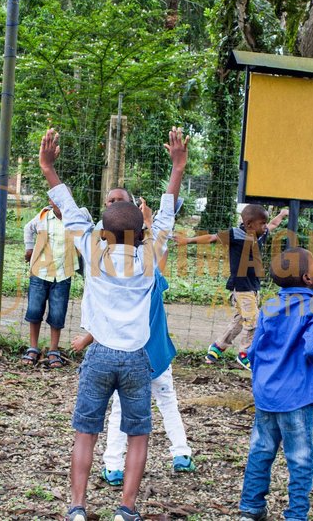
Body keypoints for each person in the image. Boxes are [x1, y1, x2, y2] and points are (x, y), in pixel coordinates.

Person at [39, 127, 187, 521]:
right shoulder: (149, 258)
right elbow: (166, 217)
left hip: (99, 355)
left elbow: (69, 208)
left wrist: (49, 168)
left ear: (103, 233)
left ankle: (76, 507)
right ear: (141, 234)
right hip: (137, 359)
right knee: (138, 435)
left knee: (86, 432)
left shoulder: (93, 250)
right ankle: (126, 509)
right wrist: (177, 167)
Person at [72, 198, 195, 486]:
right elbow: (159, 250)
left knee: (119, 409)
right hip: (156, 354)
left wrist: (88, 338)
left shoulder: (111, 277)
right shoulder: (149, 274)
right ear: (141, 236)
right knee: (167, 401)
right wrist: (151, 225)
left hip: (128, 355)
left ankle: (113, 465)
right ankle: (181, 453)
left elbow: (109, 318)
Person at [238, 247, 313, 521]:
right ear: (307, 278)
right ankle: (296, 514)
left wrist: (262, 379)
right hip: (297, 395)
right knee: (300, 457)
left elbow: (253, 350)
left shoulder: (269, 306)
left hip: (266, 393)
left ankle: (250, 509)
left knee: (261, 450)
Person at [176, 205, 288, 370]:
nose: (265, 226)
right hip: (242, 287)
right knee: (253, 320)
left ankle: (218, 346)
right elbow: (212, 238)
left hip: (253, 287)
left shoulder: (260, 234)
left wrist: (282, 214)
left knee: (240, 320)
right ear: (249, 224)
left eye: (265, 223)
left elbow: (273, 224)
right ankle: (245, 354)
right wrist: (187, 241)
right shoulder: (235, 234)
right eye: (262, 223)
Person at [22, 197, 84, 368]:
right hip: (40, 272)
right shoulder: (43, 216)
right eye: (56, 199)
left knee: (57, 313)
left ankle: (53, 350)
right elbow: (28, 228)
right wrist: (29, 248)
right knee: (34, 310)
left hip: (63, 274)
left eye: (65, 198)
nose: (61, 202)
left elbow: (88, 228)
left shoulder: (76, 218)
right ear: (50, 201)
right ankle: (33, 347)